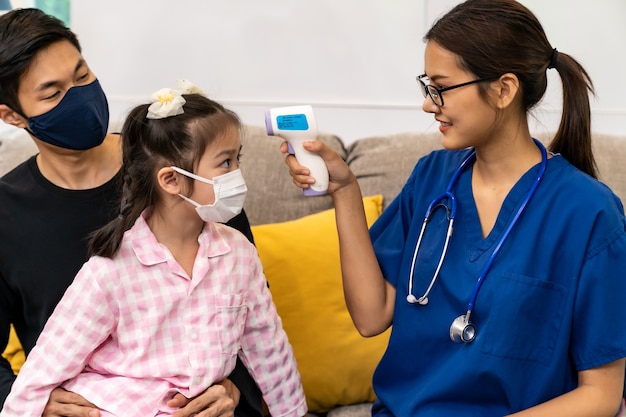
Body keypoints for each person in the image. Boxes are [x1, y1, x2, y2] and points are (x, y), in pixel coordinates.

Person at [285, 0, 626, 416]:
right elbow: (371, 317)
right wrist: (343, 192)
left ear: (503, 89)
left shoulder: (589, 213)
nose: (429, 105)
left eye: (441, 87)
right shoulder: (431, 177)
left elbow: (602, 396)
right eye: (426, 86)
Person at [0, 8, 264, 417]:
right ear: (12, 115)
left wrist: (233, 389)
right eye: (53, 94)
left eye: (83, 75)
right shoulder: (6, 213)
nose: (80, 97)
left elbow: (248, 307)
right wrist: (37, 402)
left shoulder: (180, 169)